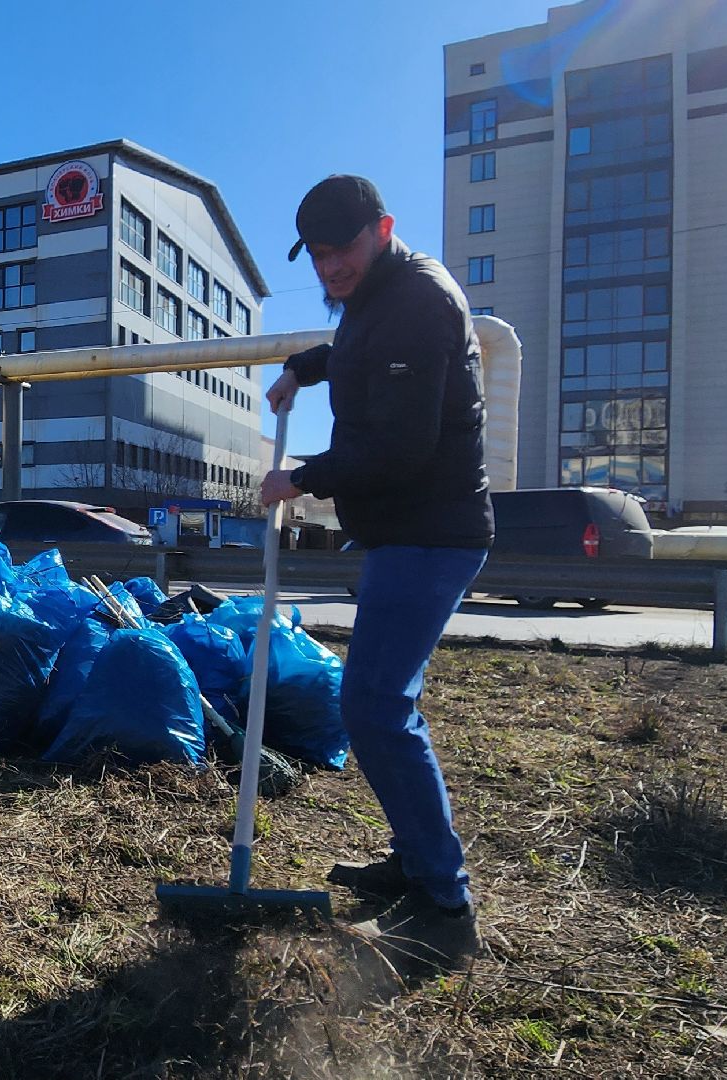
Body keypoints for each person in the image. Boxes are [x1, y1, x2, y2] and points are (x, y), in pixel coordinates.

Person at [260, 175, 493, 971]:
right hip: (404, 534)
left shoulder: (418, 300)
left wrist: (300, 478)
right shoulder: (374, 299)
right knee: (381, 704)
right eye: (318, 256)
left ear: (382, 229)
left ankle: (443, 901)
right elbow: (352, 349)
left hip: (431, 534)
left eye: (343, 249)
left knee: (373, 704)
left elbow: (399, 449)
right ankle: (415, 860)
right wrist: (301, 366)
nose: (331, 268)